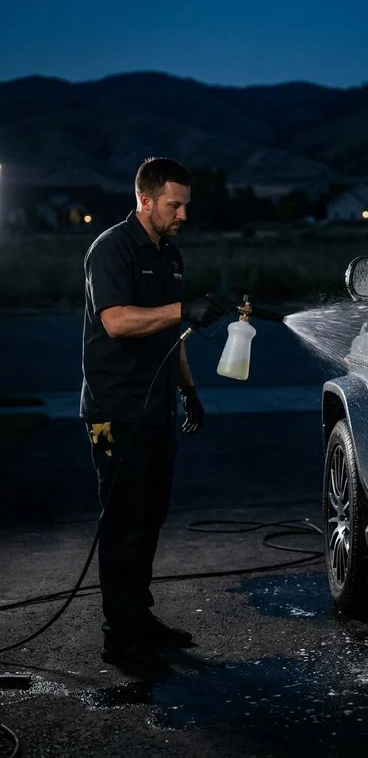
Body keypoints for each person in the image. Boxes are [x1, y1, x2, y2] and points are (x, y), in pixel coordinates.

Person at [81, 157, 234, 678]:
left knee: (148, 520)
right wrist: (182, 309)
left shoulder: (170, 255)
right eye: (174, 204)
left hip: (157, 408)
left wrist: (189, 391)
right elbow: (116, 322)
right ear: (145, 200)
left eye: (186, 204)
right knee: (122, 525)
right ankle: (121, 640)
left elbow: (172, 332)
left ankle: (140, 620)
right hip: (114, 411)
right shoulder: (111, 249)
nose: (183, 214)